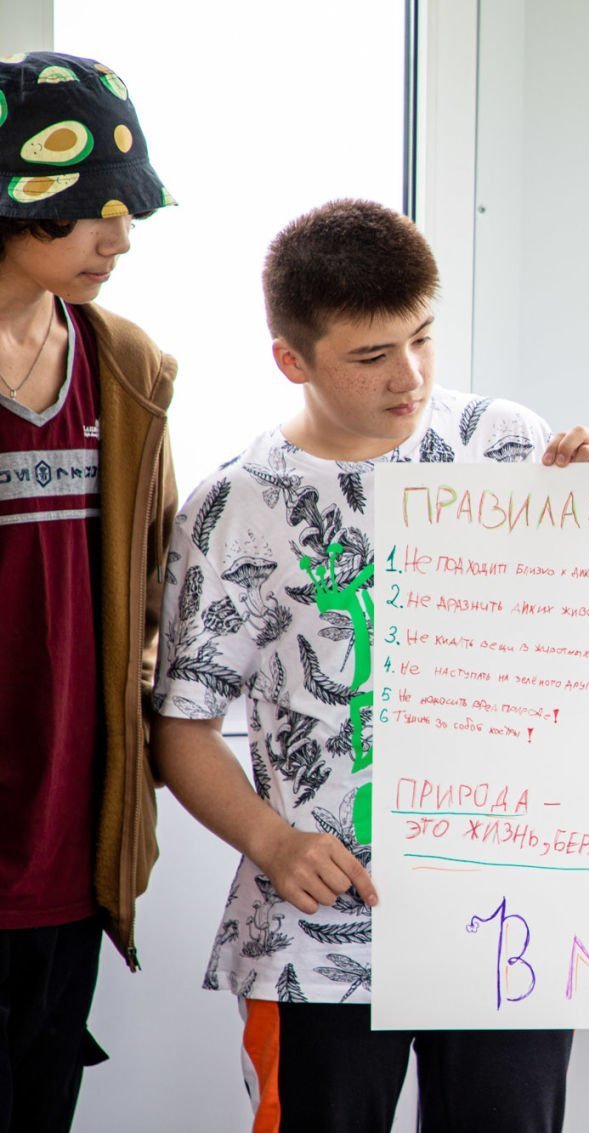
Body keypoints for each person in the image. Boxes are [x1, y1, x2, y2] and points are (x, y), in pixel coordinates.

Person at [150, 199, 589, 1132]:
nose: (410, 376)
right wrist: (274, 843)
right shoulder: (235, 505)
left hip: (505, 923)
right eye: (371, 357)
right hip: (314, 941)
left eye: (423, 338)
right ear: (292, 360)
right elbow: (182, 727)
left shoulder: (507, 445)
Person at [0, 51, 177, 1133]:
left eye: (128, 212)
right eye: (97, 211)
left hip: (73, 849)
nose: (119, 240)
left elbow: (158, 579)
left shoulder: (126, 367)